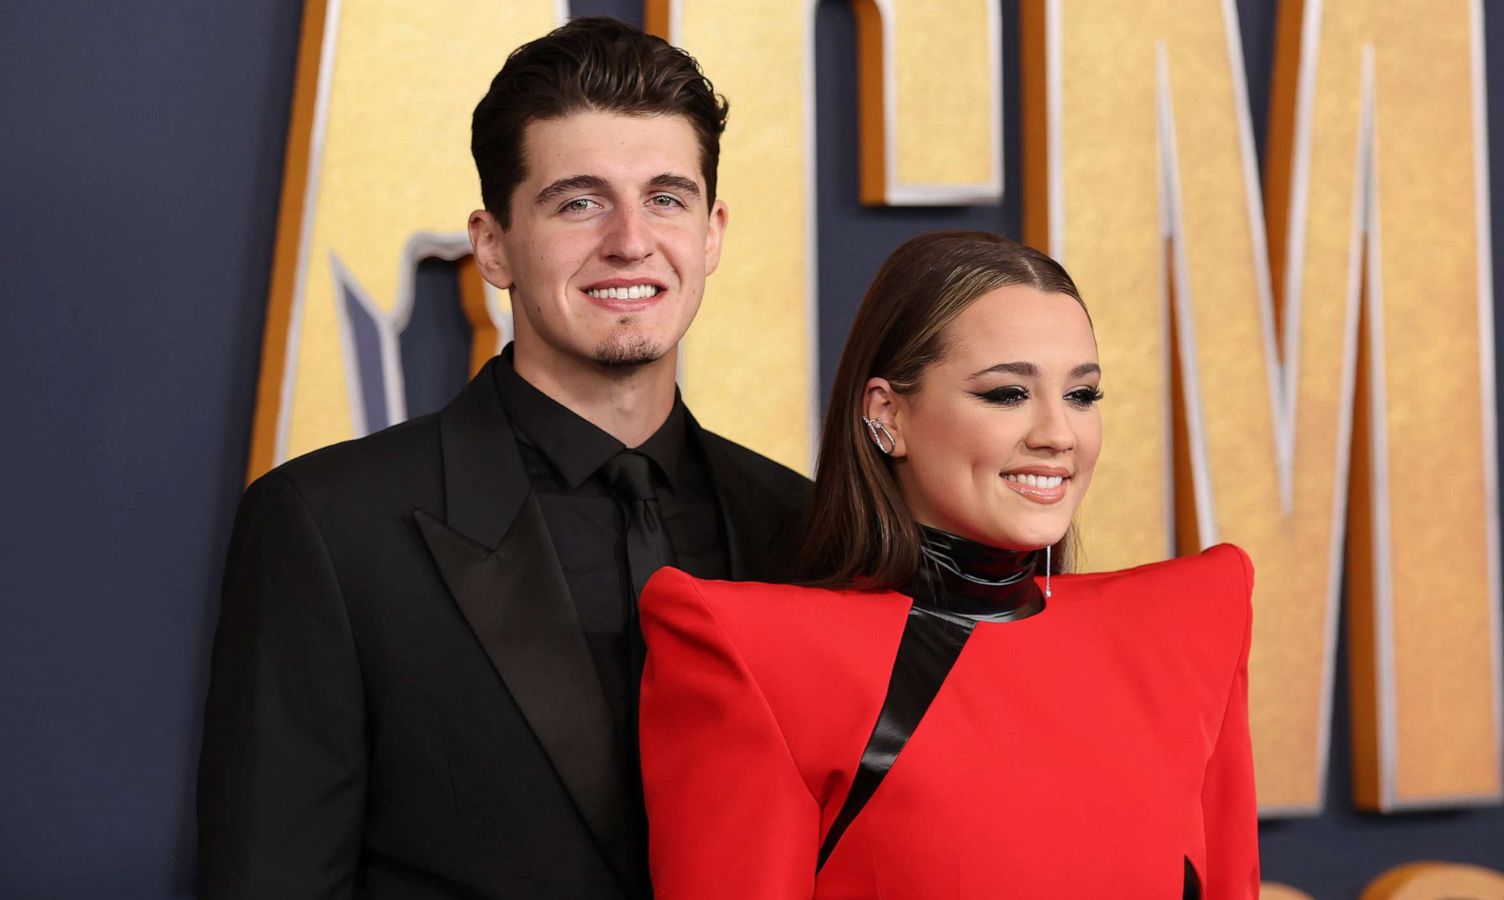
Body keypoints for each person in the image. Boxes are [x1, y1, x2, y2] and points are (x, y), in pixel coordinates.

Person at [197, 18, 808, 899]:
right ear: (492, 245)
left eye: (667, 197)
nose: (631, 240)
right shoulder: (328, 529)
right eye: (579, 201)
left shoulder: (802, 528)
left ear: (711, 233)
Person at [638, 231, 1259, 898]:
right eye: (1006, 394)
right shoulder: (762, 660)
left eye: (1081, 395)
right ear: (887, 416)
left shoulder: (1189, 629)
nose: (1058, 433)